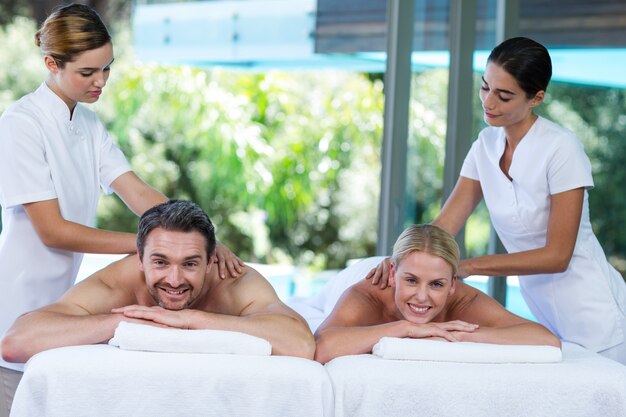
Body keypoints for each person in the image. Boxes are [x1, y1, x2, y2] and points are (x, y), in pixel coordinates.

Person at [0, 4, 243, 414]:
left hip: (63, 306)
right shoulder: (21, 123)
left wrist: (198, 237)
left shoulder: (89, 126)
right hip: (14, 301)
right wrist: (152, 249)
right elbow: (53, 230)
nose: (101, 82)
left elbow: (138, 193)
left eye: (107, 69)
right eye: (87, 72)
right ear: (51, 63)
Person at [366, 37, 626, 365]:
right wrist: (400, 259)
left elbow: (558, 256)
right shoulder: (485, 146)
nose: (489, 102)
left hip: (592, 309)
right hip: (541, 307)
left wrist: (470, 266)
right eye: (485, 87)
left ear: (536, 98)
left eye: (504, 96)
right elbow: (443, 227)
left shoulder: (562, 149)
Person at [1, 200, 315, 369]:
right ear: (139, 259)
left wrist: (189, 320)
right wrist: (129, 320)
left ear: (210, 263)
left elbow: (300, 345)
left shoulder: (234, 282)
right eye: (160, 262)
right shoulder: (121, 282)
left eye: (190, 264)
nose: (174, 280)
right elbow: (15, 344)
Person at [314, 224, 560, 364]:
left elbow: (547, 339)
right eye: (411, 281)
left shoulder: (464, 300)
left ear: (453, 284)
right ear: (393, 273)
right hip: (363, 274)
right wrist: (405, 329)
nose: (422, 297)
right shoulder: (368, 293)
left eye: (436, 285)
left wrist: (453, 335)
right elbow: (322, 347)